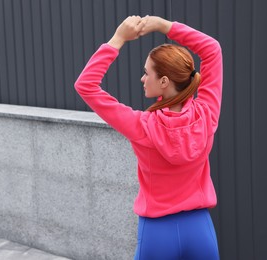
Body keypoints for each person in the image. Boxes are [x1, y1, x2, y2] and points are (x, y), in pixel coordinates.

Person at [75, 15, 222, 260]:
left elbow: (86, 85)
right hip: (200, 229)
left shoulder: (142, 126)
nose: (143, 79)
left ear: (164, 81)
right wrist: (164, 26)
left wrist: (118, 38)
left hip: (157, 232)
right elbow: (212, 50)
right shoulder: (207, 115)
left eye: (146, 73)